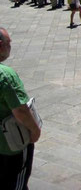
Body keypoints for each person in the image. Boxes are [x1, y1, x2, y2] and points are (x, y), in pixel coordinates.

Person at [0, 27, 41, 190]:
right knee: (16, 182)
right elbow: (21, 111)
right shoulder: (5, 75)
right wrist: (35, 131)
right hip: (10, 145)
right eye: (9, 42)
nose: (10, 46)